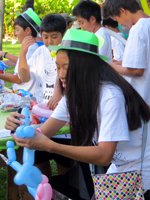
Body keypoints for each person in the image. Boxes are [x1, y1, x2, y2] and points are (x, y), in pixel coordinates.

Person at [5, 29, 150, 199]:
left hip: (143, 173)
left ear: (85, 66)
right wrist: (20, 129)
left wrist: (50, 146)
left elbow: (104, 155)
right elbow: (43, 132)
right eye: (57, 67)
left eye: (65, 67)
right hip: (121, 170)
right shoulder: (74, 95)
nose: (60, 74)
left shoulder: (110, 96)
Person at [104, 0, 150, 105]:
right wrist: (118, 63)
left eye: (117, 19)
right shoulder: (147, 23)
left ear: (123, 11)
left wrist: (108, 66)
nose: (120, 24)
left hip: (142, 98)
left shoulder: (138, 29)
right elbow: (144, 58)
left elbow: (136, 70)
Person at [18, 14, 66, 104]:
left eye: (54, 37)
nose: (49, 42)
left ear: (63, 34)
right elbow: (24, 78)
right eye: (45, 37)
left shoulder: (68, 54)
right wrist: (22, 54)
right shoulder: (40, 52)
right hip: (40, 105)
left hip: (60, 107)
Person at [0, 8, 42, 93]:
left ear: (27, 31)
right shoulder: (34, 47)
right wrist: (4, 62)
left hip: (25, 95)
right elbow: (21, 61)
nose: (15, 33)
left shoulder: (30, 49)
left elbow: (18, 79)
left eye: (17, 29)